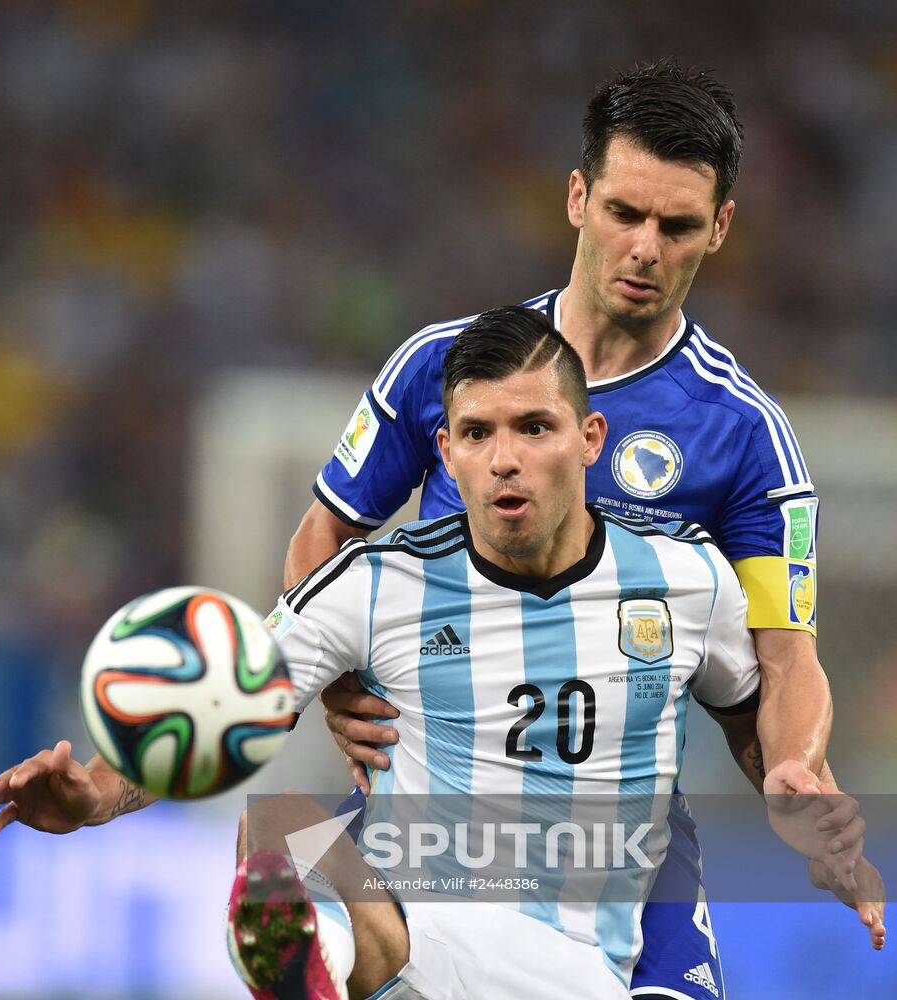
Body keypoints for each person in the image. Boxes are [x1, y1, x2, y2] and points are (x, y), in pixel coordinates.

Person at [281, 60, 885, 991]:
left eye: (677, 225)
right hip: (438, 821)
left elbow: (783, 656)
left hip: (618, 842)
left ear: (718, 228)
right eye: (623, 213)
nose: (644, 247)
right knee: (310, 912)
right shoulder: (447, 367)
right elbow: (324, 536)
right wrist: (340, 687)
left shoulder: (744, 437)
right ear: (576, 198)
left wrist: (795, 767)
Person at [226, 309, 853, 999]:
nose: (645, 247)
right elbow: (231, 694)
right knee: (276, 825)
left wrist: (799, 785)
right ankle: (327, 966)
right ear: (579, 198)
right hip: (434, 886)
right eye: (477, 433)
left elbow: (778, 673)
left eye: (532, 428)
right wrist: (104, 792)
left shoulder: (721, 484)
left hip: (606, 883)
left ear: (589, 439)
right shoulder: (384, 563)